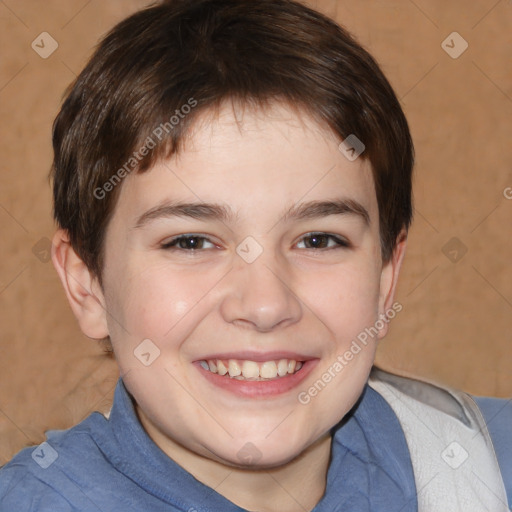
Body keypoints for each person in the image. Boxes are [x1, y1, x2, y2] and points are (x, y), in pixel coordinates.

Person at [0, 0, 510, 510]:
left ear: (384, 278)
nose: (266, 305)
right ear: (87, 283)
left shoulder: (488, 468)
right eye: (191, 242)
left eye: (318, 240)